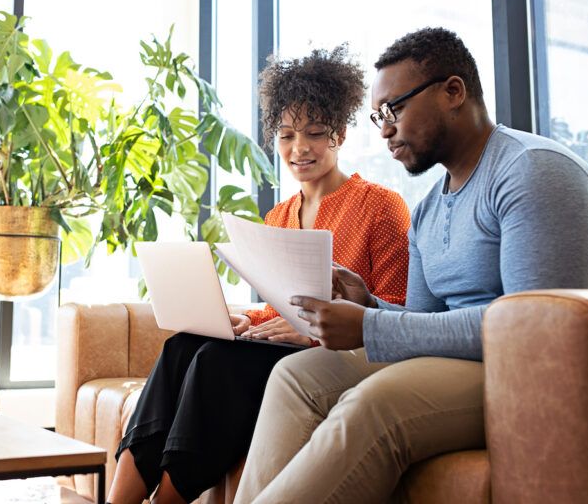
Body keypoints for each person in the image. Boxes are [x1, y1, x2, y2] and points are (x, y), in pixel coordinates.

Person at [234, 27, 588, 504]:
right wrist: (371, 305)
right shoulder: (426, 211)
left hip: (537, 373)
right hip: (470, 361)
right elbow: (423, 327)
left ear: (453, 92)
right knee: (296, 377)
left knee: (375, 403)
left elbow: (529, 334)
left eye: (394, 109)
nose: (384, 130)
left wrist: (371, 325)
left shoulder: (532, 171)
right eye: (378, 115)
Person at [107, 46, 411, 504]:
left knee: (215, 366)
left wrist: (309, 333)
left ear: (340, 135)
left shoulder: (381, 206)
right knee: (182, 348)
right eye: (287, 135)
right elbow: (277, 305)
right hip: (280, 351)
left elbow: (396, 311)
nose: (299, 148)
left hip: (340, 356)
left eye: (314, 133)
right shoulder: (278, 216)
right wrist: (247, 323)